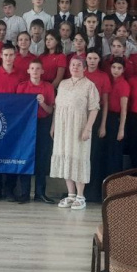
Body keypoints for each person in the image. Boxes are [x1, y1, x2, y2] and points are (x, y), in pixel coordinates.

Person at [50, 56, 100, 210]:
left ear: (84, 68)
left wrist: (88, 128)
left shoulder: (89, 85)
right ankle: (71, 194)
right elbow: (57, 107)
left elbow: (94, 109)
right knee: (66, 157)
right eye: (73, 65)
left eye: (79, 65)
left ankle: (80, 196)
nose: (75, 67)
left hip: (79, 127)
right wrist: (53, 125)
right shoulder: (63, 84)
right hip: (63, 128)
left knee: (79, 158)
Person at [0, 44, 25, 201]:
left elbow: (23, 97)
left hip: (15, 120)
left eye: (11, 55)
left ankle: (10, 189)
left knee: (12, 153)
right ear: (1, 56)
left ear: (15, 56)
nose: (8, 58)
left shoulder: (21, 74)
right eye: (6, 55)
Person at [15, 60, 56, 204]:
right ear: (28, 71)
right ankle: (24, 193)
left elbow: (50, 110)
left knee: (42, 158)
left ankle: (40, 193)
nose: (35, 71)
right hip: (26, 126)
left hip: (43, 124)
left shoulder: (48, 87)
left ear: (42, 71)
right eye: (32, 68)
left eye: (38, 68)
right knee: (25, 157)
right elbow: (18, 108)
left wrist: (42, 103)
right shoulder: (22, 87)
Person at [83, 50, 111, 202]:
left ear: (99, 60)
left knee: (94, 155)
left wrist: (103, 124)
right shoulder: (81, 74)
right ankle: (79, 191)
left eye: (95, 58)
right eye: (89, 58)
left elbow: (105, 102)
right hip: (81, 116)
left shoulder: (103, 76)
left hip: (97, 116)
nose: (92, 61)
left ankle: (92, 192)